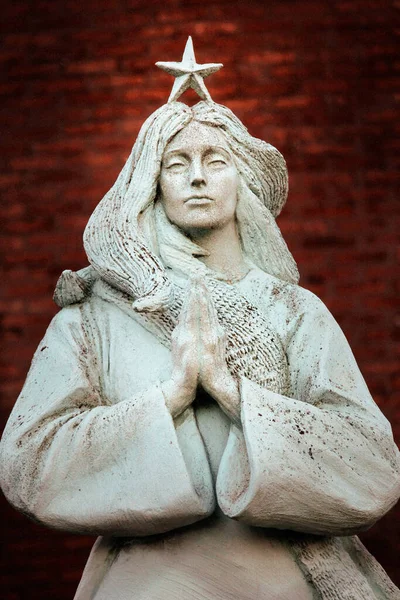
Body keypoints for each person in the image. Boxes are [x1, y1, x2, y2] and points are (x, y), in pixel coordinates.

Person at [1, 99, 400, 600]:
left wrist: (236, 397)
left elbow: (374, 466)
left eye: (216, 161)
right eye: (175, 164)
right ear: (151, 183)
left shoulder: (295, 311)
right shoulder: (94, 316)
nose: (197, 178)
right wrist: (171, 397)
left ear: (242, 178)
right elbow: (27, 462)